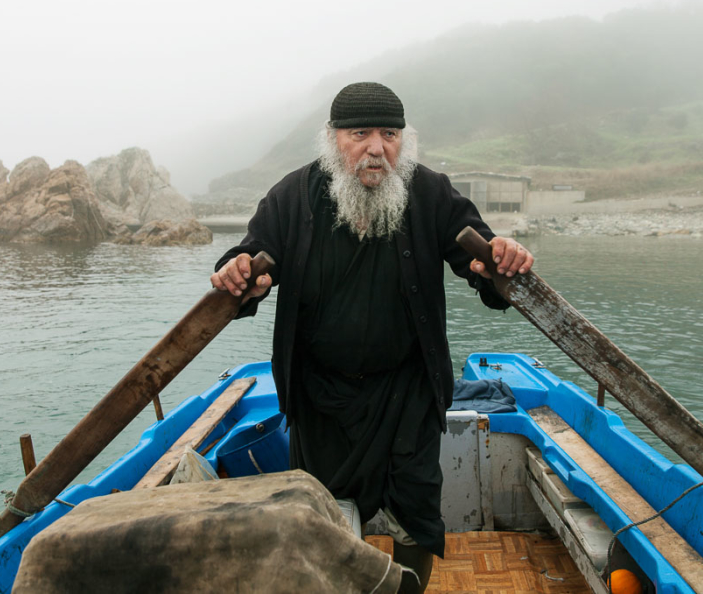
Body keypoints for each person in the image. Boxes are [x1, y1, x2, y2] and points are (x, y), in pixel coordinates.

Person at [211, 82, 534, 593]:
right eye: (359, 133)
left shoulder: (429, 193)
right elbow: (251, 257)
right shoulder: (291, 197)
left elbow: (481, 259)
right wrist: (236, 270)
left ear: (405, 140)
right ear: (333, 139)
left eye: (390, 134)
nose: (377, 147)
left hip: (407, 391)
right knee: (323, 513)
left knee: (418, 511)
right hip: (320, 397)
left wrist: (501, 259)